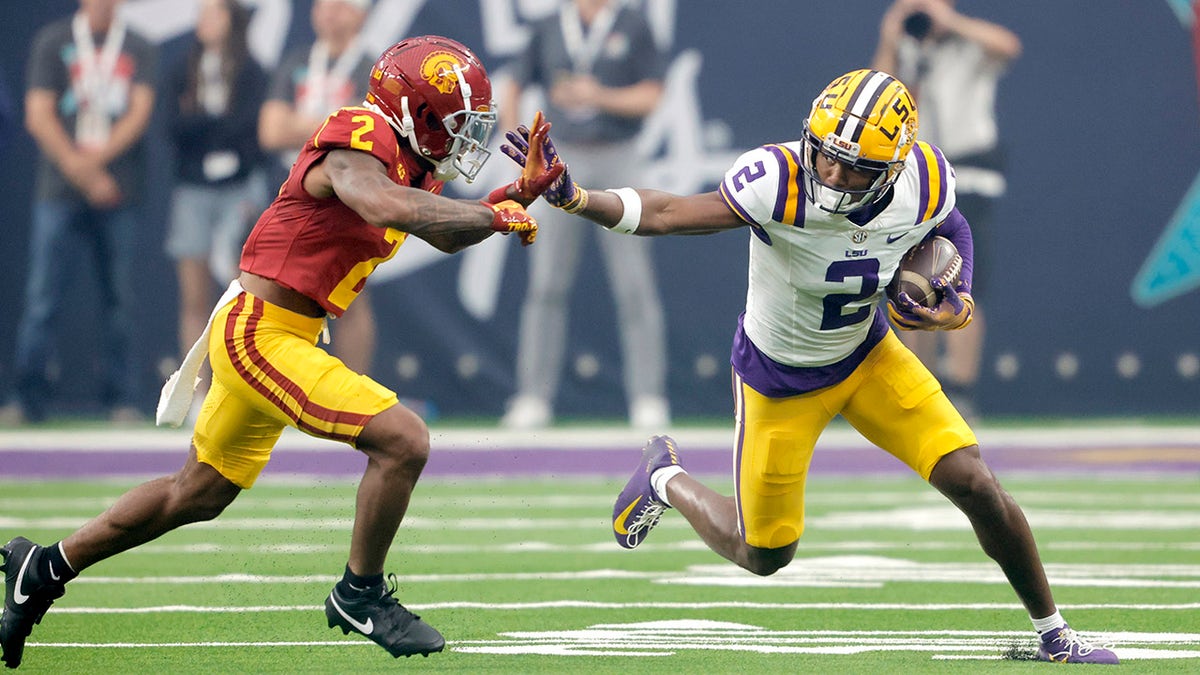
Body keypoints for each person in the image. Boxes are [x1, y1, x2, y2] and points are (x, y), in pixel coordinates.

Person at [505, 69, 1119, 664]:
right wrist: (576, 197)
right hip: (779, 379)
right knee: (765, 553)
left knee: (975, 482)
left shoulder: (925, 178)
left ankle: (1055, 633)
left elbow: (951, 230)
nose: (832, 171)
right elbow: (668, 212)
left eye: (854, 166)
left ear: (893, 169)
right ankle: (664, 477)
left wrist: (949, 293)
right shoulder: (776, 179)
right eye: (825, 154)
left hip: (867, 355)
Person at [0, 35, 561, 668]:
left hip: (280, 331)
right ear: (412, 111)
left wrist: (516, 196)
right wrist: (491, 217)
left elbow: (440, 229)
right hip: (260, 332)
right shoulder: (360, 134)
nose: (461, 139)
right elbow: (382, 203)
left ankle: (45, 567)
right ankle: (360, 593)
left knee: (198, 493)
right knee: (404, 440)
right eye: (450, 123)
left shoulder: (410, 163)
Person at [500, 0, 671, 430]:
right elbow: (514, 83)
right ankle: (533, 396)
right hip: (563, 156)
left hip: (619, 157)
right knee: (546, 283)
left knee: (634, 282)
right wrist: (523, 147)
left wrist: (598, 95)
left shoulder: (633, 23)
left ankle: (648, 395)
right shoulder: (549, 26)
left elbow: (652, 96)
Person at [0, 0, 157, 426]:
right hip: (60, 188)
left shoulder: (138, 45)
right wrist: (84, 172)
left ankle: (122, 398)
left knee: (120, 298)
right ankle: (26, 397)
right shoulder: (54, 41)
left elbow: (139, 113)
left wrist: (95, 165)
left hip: (119, 187)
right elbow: (38, 114)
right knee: (42, 296)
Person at [871, 0, 1022, 419]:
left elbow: (1008, 46)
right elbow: (876, 94)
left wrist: (948, 21)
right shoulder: (909, 51)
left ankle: (961, 389)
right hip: (919, 177)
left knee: (960, 283)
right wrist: (892, 36)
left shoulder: (968, 44)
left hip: (970, 175)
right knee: (911, 282)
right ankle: (920, 384)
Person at [258, 0, 378, 375]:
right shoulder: (297, 60)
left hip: (346, 191)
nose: (328, 12)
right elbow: (270, 130)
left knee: (350, 294)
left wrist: (302, 124)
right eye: (322, 4)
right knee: (276, 289)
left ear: (359, 15)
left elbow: (368, 133)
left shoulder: (372, 68)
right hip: (292, 189)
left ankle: (355, 387)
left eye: (339, 5)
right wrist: (336, 123)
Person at [165, 0, 269, 421]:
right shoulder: (183, 67)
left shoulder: (251, 70)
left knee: (238, 295)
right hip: (192, 189)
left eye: (214, 12)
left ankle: (237, 391)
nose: (203, 20)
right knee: (194, 296)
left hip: (240, 187)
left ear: (232, 20)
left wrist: (206, 127)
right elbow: (173, 127)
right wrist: (212, 129)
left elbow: (250, 128)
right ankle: (194, 393)